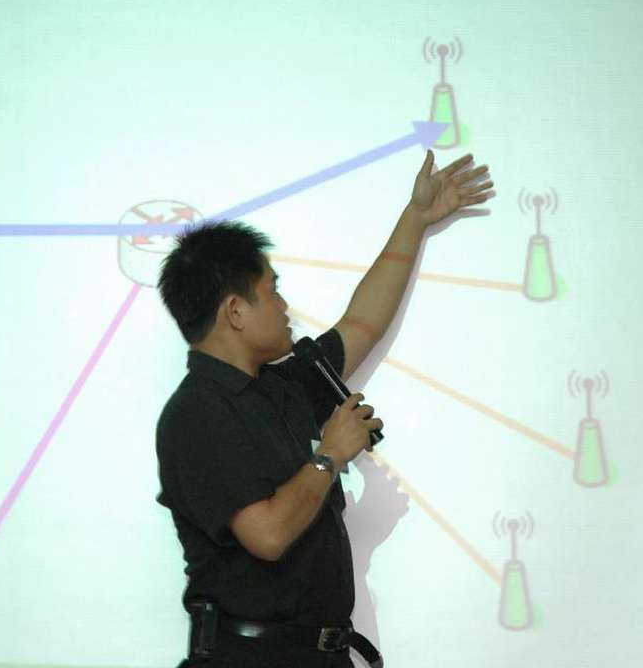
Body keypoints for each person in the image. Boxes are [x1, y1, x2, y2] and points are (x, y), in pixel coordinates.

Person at [155, 150, 494, 666]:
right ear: (235, 311)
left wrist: (416, 218)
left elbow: (362, 323)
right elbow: (268, 536)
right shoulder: (194, 415)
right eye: (272, 291)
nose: (284, 306)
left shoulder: (283, 387)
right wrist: (330, 454)